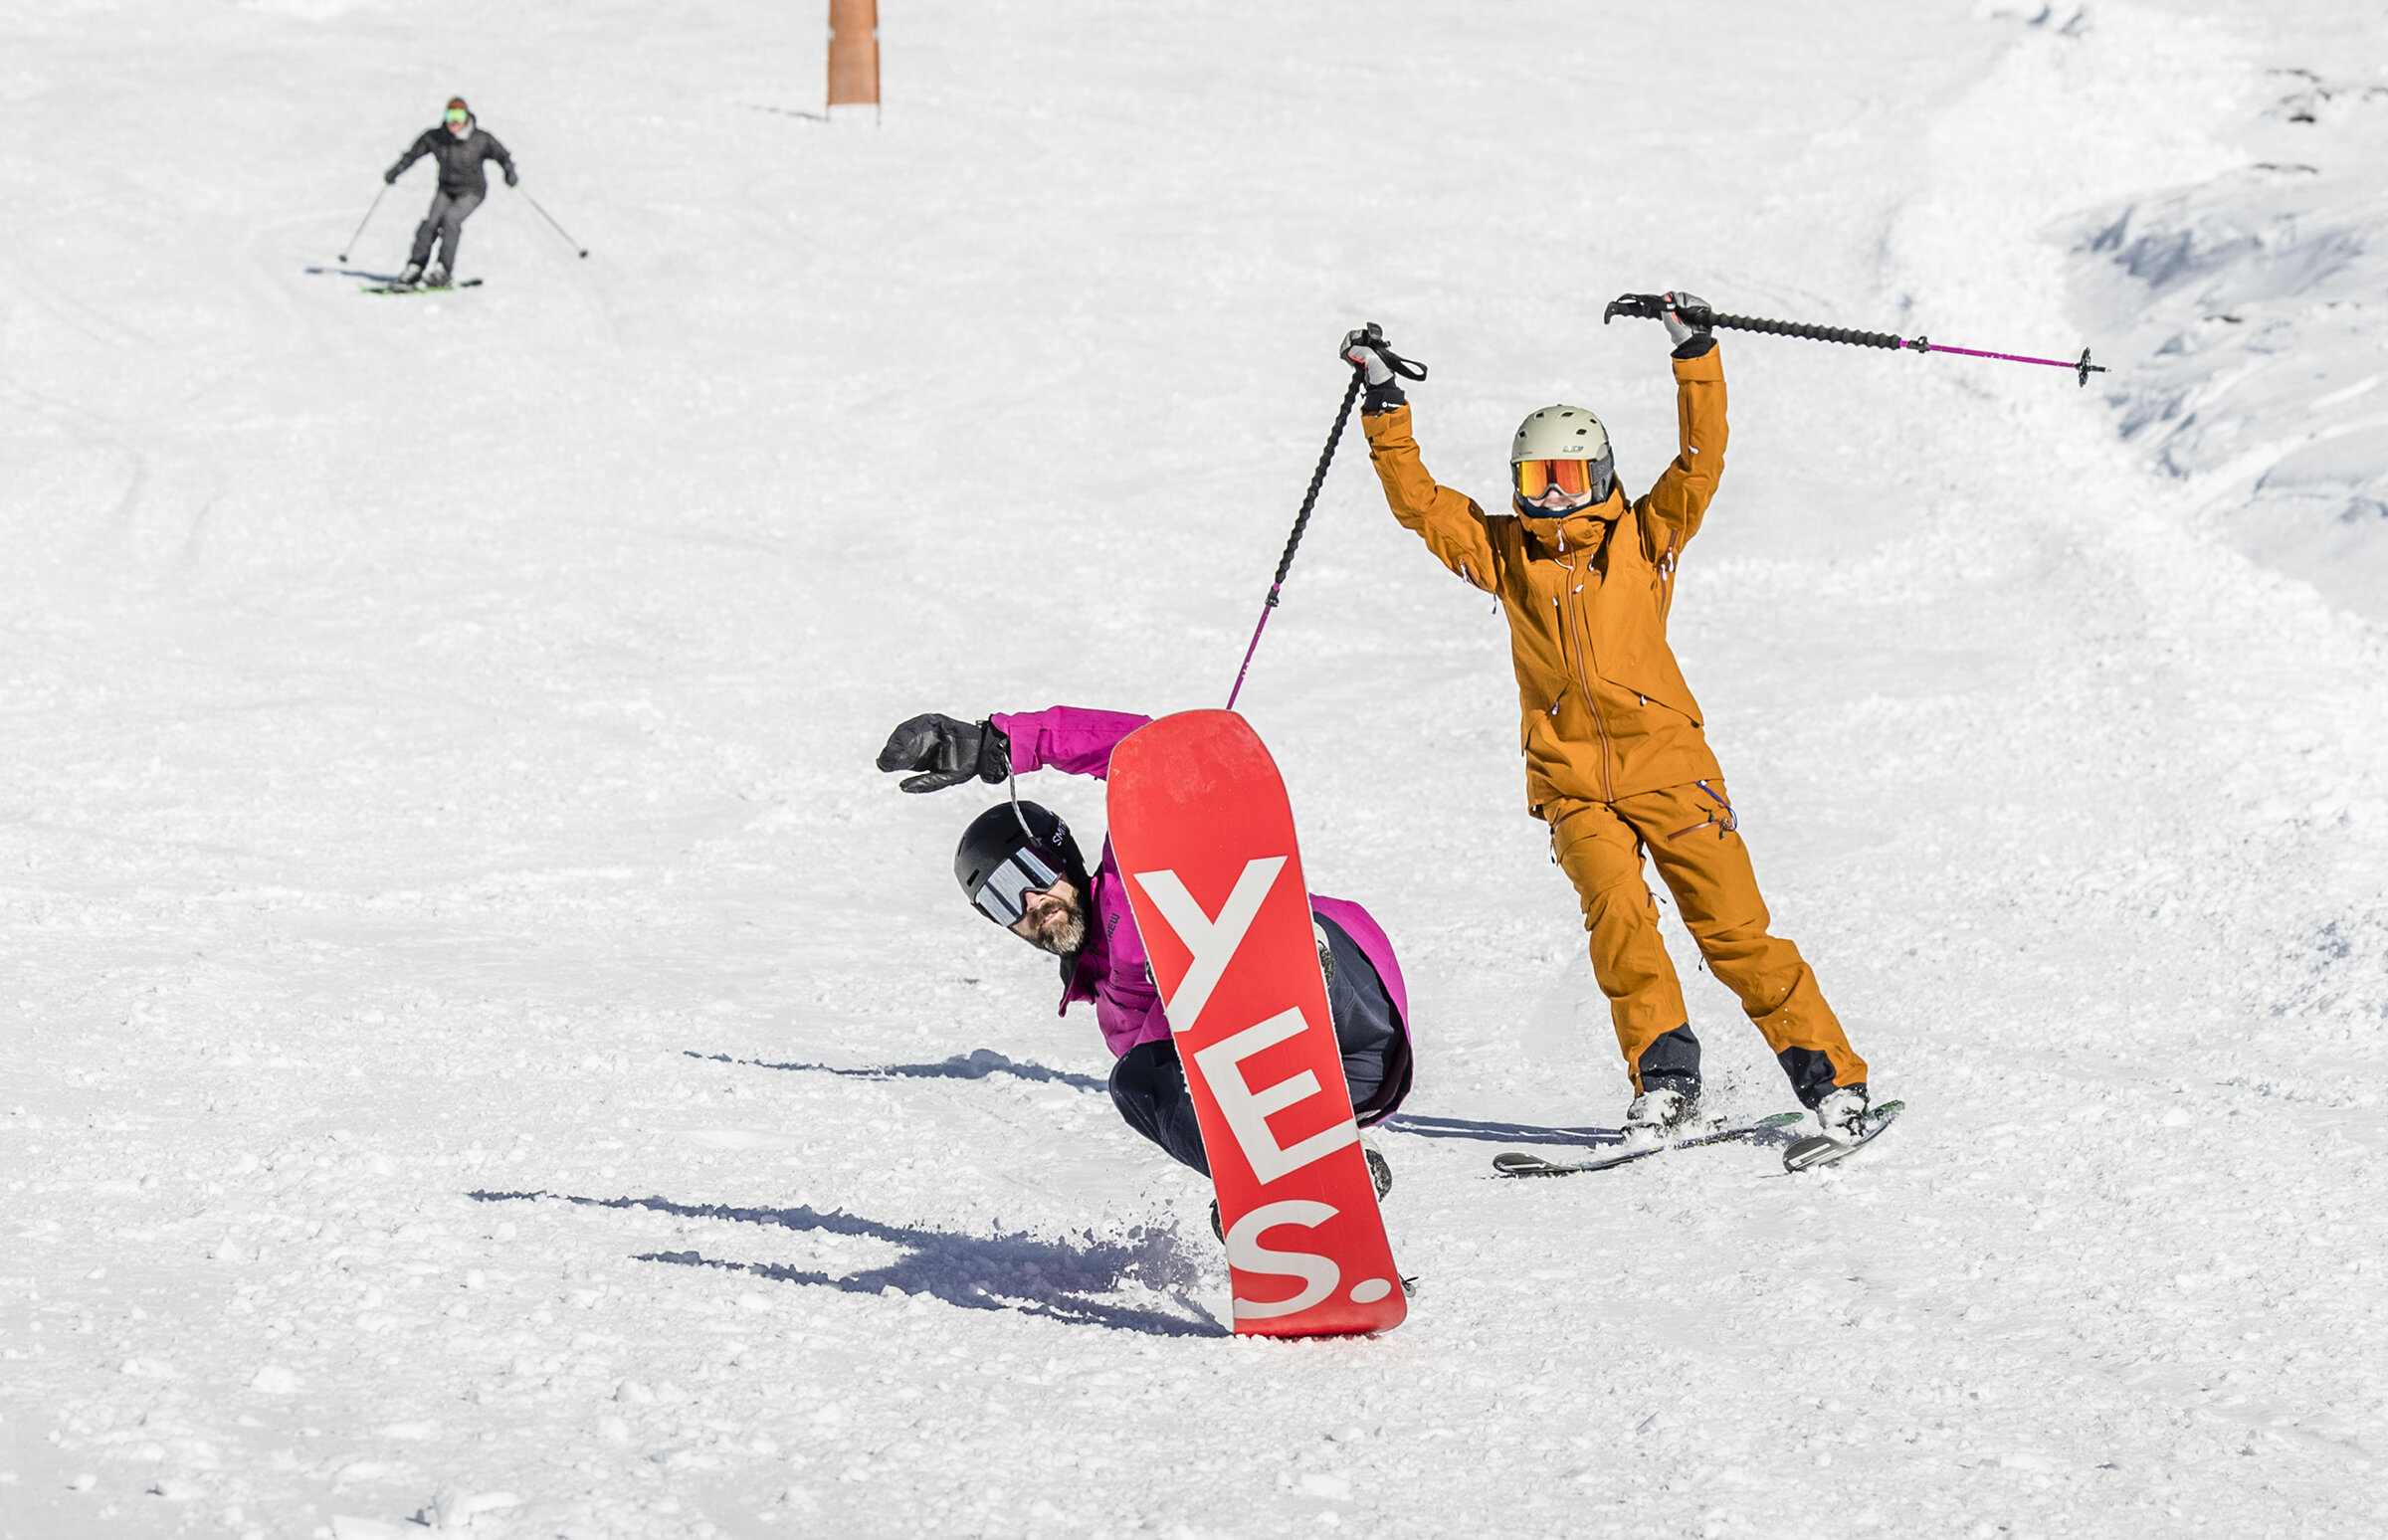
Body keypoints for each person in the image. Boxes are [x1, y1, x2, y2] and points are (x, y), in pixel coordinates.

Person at [1344, 296, 1877, 1140]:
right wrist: (1382, 401)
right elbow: (1421, 505)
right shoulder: (1505, 555)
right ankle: (1666, 1083)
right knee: (1621, 927)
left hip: (1669, 768)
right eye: (1534, 482)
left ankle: (1832, 1081)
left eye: (1566, 481)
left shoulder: (1642, 537)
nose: (1551, 501)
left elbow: (1701, 461)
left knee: (1735, 932)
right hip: (1571, 785)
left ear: (1598, 476)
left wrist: (1693, 351)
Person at [877, 706, 1414, 1204]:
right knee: (1136, 1082)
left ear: (1062, 855)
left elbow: (1151, 753)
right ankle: (1308, 1185)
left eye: (1031, 873)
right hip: (1331, 1083)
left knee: (1204, 942)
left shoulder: (1133, 865)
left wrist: (1001, 743)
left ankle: (1285, 961)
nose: (1031, 903)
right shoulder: (1114, 1020)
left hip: (1347, 1000)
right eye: (1002, 900)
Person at [383, 97, 516, 289]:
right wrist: (396, 171)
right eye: (450, 115)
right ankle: (415, 267)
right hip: (446, 189)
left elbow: (502, 155)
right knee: (430, 223)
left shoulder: (480, 139)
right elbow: (412, 155)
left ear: (467, 117)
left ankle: (443, 271)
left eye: (459, 115)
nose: (454, 121)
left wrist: (509, 172)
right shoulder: (436, 137)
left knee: (451, 220)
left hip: (472, 191)